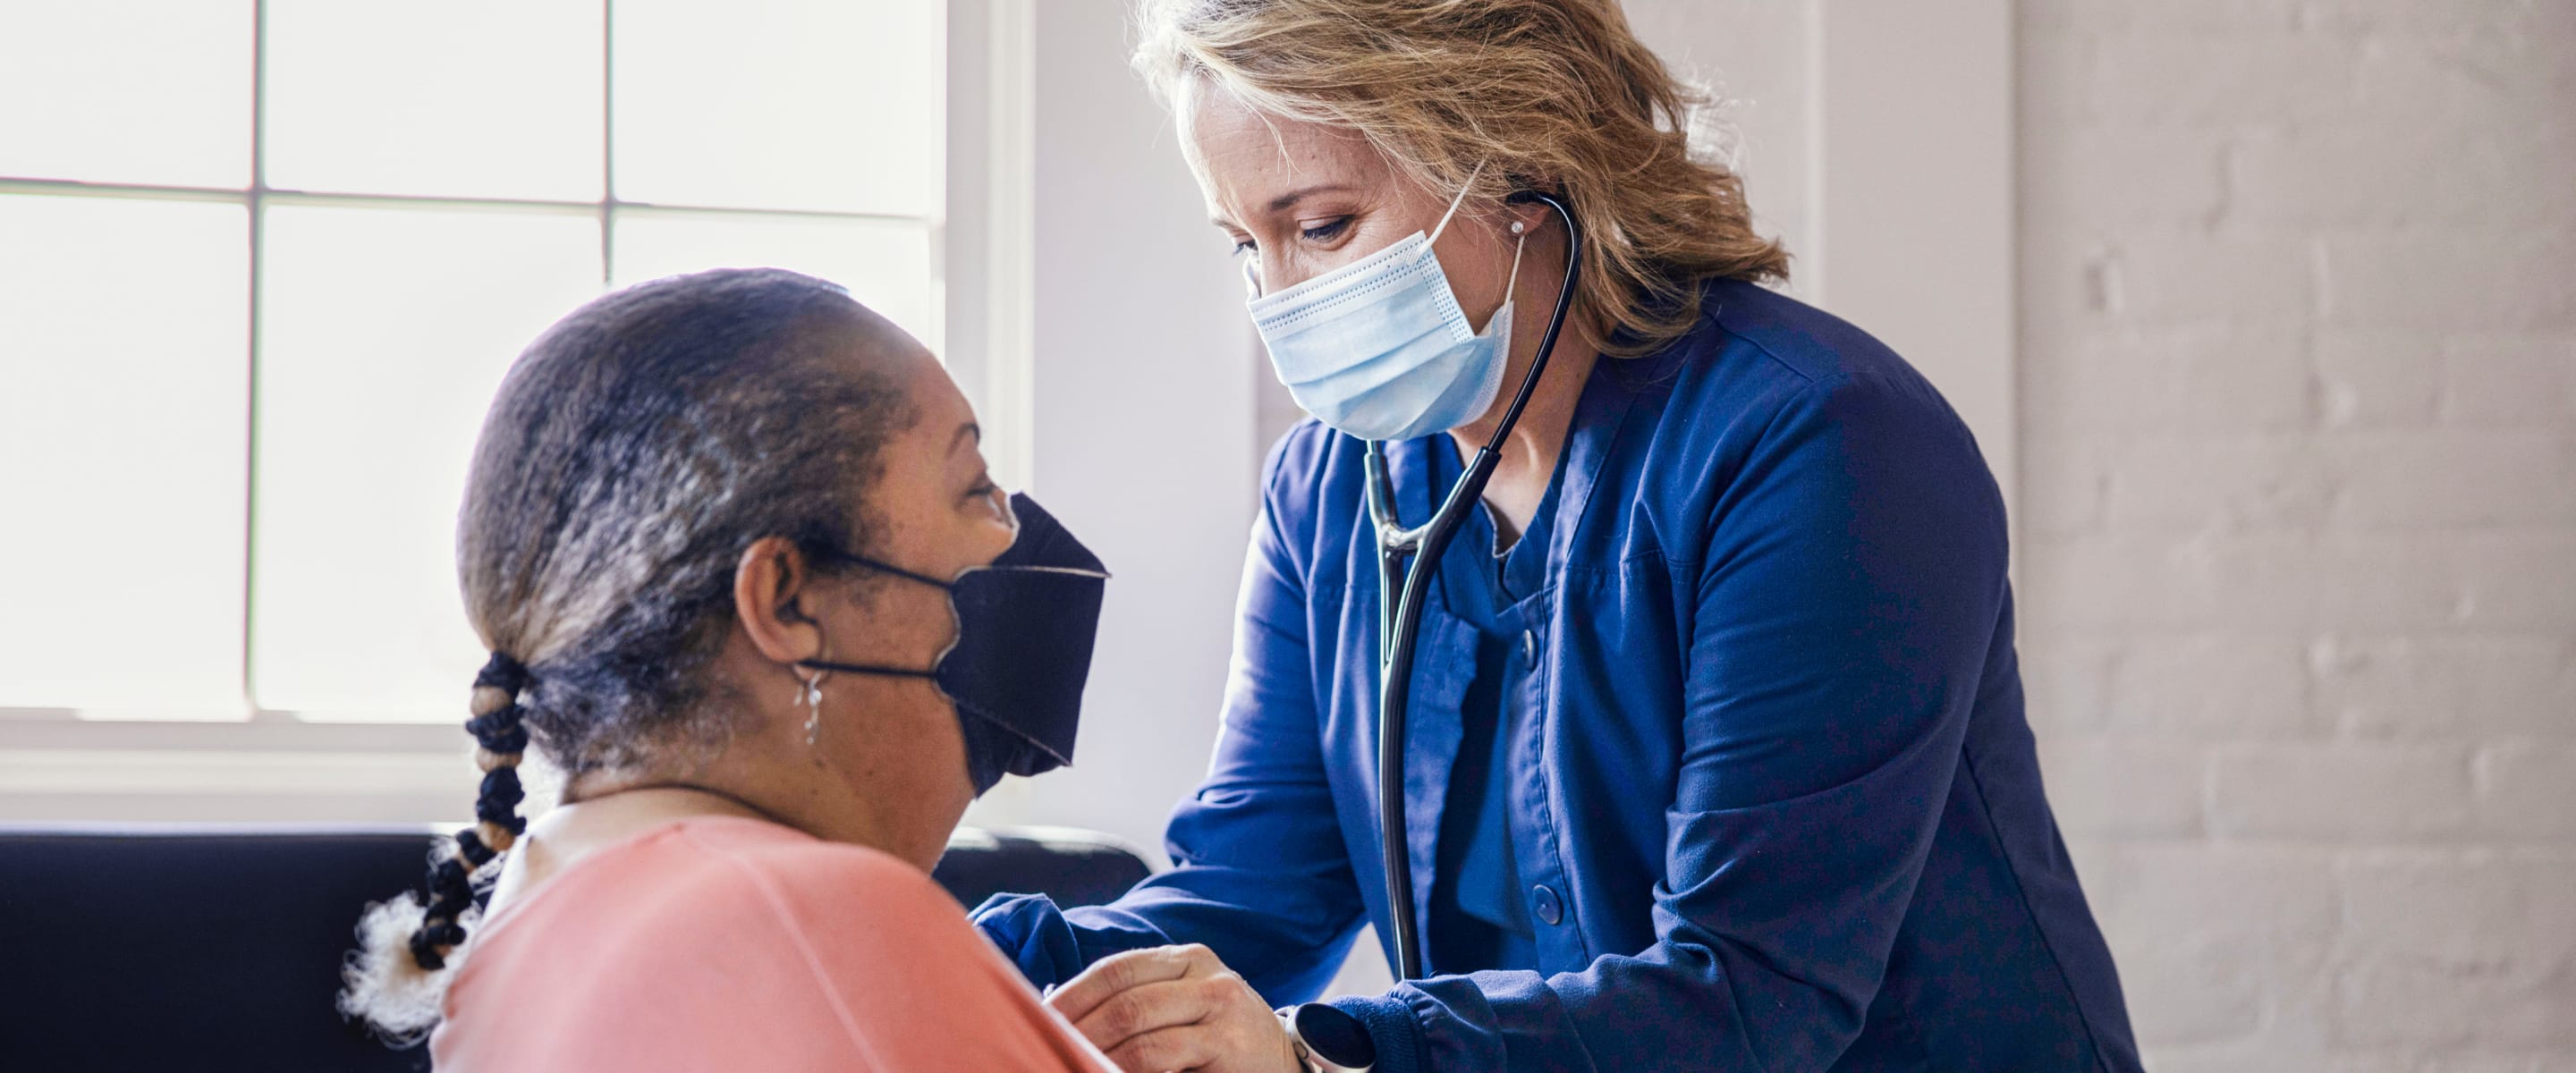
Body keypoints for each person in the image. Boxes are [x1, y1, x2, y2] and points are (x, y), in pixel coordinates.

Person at [973, 3, 2143, 1071]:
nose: (1279, 297)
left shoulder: (1821, 447)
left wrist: (1315, 1059)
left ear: (1525, 162)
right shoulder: (1332, 488)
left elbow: (1754, 995)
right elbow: (1250, 893)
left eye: (1322, 225)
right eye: (1244, 245)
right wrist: (923, 948)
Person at [338, 268, 1121, 1072]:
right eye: (975, 489)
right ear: (785, 605)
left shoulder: (528, 920)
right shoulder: (826, 921)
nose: (1012, 529)